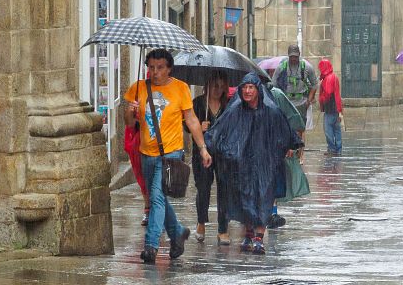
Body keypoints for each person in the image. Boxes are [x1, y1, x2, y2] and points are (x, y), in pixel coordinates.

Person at [123, 49, 211, 264]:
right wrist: (130, 110)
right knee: (158, 198)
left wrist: (202, 148)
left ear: (169, 68)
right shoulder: (138, 88)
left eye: (160, 67)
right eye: (151, 67)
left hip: (171, 152)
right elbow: (128, 123)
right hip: (147, 153)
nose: (155, 72)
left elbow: (190, 120)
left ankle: (151, 246)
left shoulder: (180, 88)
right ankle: (178, 232)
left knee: (156, 197)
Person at [206, 73, 303, 254]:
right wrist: (209, 141)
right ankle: (249, 233)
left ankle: (259, 238)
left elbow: (285, 130)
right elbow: (220, 129)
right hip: (242, 164)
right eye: (244, 87)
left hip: (266, 163)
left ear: (258, 89)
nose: (247, 91)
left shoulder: (271, 111)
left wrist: (291, 145)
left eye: (251, 87)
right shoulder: (235, 110)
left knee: (263, 198)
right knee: (246, 197)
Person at [184, 70, 230, 245]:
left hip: (224, 154)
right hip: (201, 153)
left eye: (221, 86)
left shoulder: (229, 105)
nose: (218, 90)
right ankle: (201, 222)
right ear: (207, 86)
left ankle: (223, 229)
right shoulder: (197, 104)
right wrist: (198, 127)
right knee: (203, 188)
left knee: (224, 189)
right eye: (215, 86)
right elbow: (186, 124)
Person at [266, 83, 306, 229]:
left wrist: (291, 143)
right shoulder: (245, 96)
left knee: (274, 181)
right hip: (256, 148)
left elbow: (292, 118)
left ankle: (272, 213)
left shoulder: (276, 95)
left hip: (275, 147)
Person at [272, 44, 318, 163]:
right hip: (286, 102)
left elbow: (314, 84)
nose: (294, 59)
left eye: (296, 56)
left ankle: (300, 154)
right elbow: (274, 84)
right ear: (288, 56)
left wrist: (309, 99)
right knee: (286, 127)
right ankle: (288, 151)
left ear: (299, 56)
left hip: (301, 102)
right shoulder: (282, 67)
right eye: (291, 56)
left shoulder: (307, 67)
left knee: (300, 129)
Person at [318, 58, 343, 154]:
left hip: (330, 108)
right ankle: (339, 148)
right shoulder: (333, 76)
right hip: (336, 107)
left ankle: (332, 148)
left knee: (328, 129)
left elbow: (328, 93)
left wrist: (321, 99)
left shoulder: (328, 78)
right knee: (337, 129)